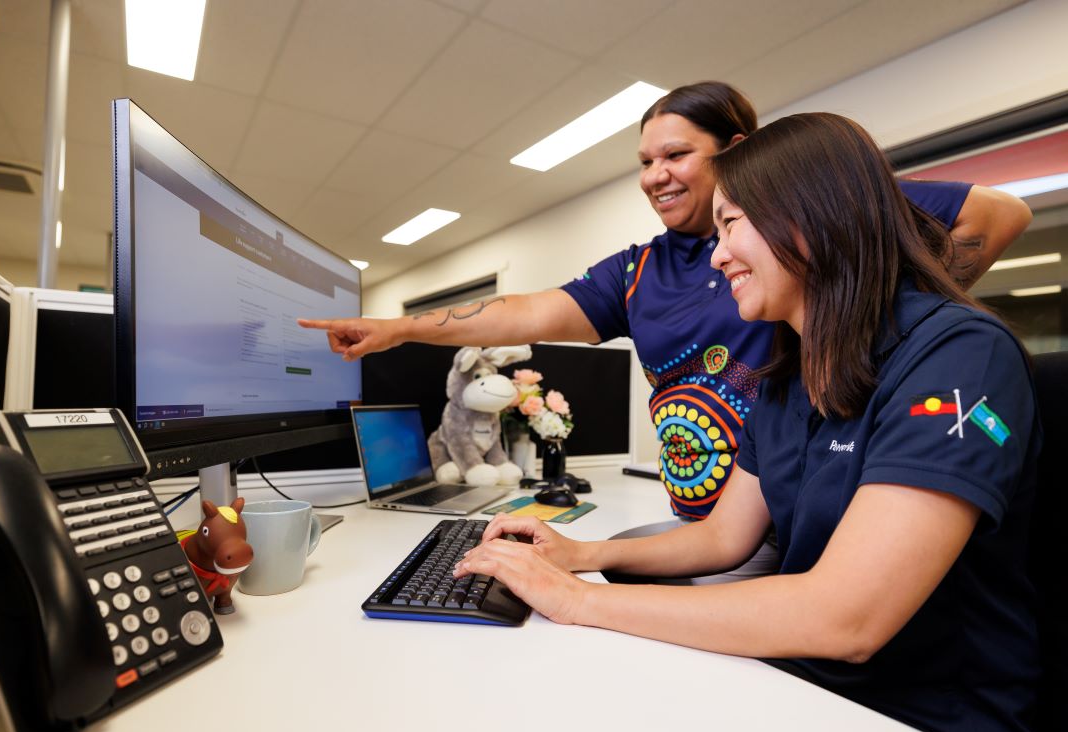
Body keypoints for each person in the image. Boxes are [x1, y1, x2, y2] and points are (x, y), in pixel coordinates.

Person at [452, 112, 1041, 732]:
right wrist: (581, 556)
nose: (718, 251)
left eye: (732, 224)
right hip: (810, 689)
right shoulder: (791, 375)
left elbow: (848, 617)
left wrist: (575, 600)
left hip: (923, 721)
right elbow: (722, 537)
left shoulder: (958, 356)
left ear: (813, 217)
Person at [299, 82, 1030, 523]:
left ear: (736, 150)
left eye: (675, 155)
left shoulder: (821, 220)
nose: (654, 176)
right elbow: (521, 313)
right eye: (644, 162)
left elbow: (998, 215)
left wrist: (882, 311)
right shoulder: (639, 269)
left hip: (802, 515)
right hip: (707, 519)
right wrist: (399, 329)